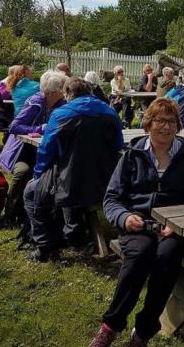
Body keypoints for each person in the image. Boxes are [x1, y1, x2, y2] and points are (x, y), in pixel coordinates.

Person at [86, 98, 184, 347]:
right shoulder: (132, 155)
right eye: (159, 121)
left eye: (171, 121)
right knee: (140, 254)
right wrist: (125, 217)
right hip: (138, 225)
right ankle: (110, 327)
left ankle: (142, 334)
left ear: (178, 126)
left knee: (167, 259)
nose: (165, 127)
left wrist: (177, 225)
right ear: (148, 124)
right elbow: (112, 199)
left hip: (173, 231)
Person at [23, 77, 124, 262]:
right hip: (104, 181)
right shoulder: (110, 112)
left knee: (30, 192)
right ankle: (73, 233)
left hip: (70, 181)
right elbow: (118, 145)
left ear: (68, 94)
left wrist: (37, 175)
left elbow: (45, 150)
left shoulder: (61, 114)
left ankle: (45, 245)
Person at [0, 71, 67, 225]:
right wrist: (40, 128)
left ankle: (48, 214)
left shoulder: (61, 104)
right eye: (62, 89)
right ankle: (9, 213)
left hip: (48, 151)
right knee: (23, 172)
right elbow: (14, 127)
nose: (65, 93)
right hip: (23, 151)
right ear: (53, 91)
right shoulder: (35, 102)